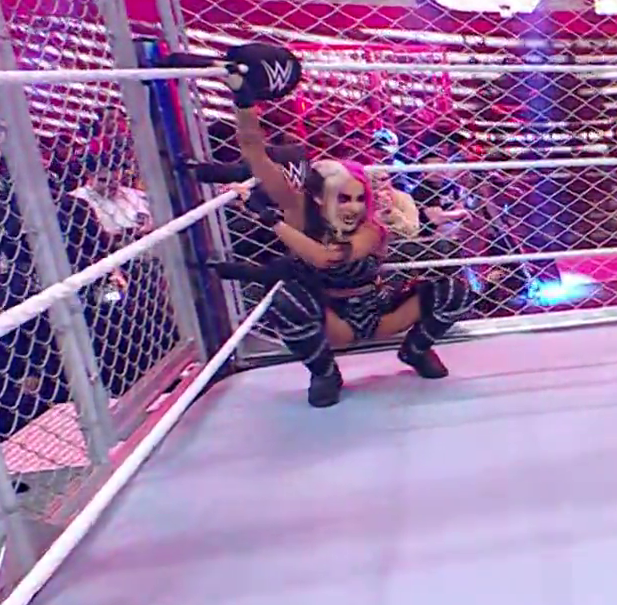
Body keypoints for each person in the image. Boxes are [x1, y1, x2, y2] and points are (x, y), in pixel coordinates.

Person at [192, 44, 474, 407]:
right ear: (320, 199)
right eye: (343, 198)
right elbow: (255, 155)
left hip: (379, 311)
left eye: (359, 198)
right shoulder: (300, 212)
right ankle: (324, 372)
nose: (355, 207)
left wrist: (270, 219)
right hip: (330, 317)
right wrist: (244, 102)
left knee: (455, 291)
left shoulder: (371, 230)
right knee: (286, 301)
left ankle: (416, 350)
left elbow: (328, 258)